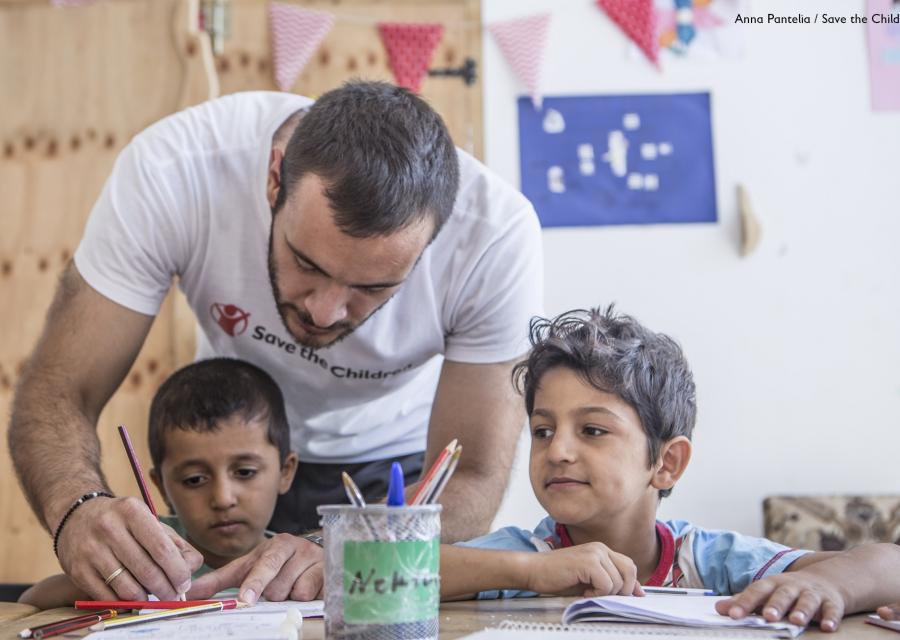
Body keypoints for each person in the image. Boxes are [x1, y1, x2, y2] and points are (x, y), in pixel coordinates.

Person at [8, 81, 542, 604]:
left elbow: (471, 473)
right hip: (243, 447)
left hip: (397, 484)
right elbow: (59, 390)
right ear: (273, 180)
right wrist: (77, 509)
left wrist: (349, 545)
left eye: (373, 288)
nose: (324, 311)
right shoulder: (177, 170)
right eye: (307, 264)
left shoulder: (495, 237)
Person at [438, 306, 900, 632]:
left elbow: (890, 564)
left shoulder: (708, 560)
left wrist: (828, 586)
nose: (557, 449)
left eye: (593, 430)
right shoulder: (527, 555)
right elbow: (393, 572)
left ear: (667, 463)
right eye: (542, 431)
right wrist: (529, 573)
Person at [19, 358, 302, 608]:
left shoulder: (294, 562)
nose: (223, 498)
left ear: (285, 472)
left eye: (245, 472)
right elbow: (30, 601)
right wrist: (107, 582)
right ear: (161, 486)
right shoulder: (143, 550)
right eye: (195, 479)